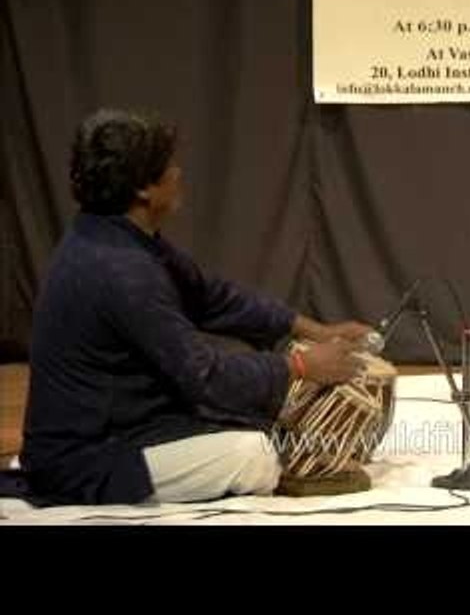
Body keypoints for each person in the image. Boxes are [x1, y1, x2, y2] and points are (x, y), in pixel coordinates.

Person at [21, 109, 376, 505]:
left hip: (126, 423)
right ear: (144, 189)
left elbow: (212, 297)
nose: (178, 173)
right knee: (252, 453)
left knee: (248, 414)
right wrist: (302, 366)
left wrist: (316, 332)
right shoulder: (121, 270)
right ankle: (287, 471)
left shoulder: (115, 235)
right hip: (87, 459)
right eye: (169, 166)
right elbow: (205, 377)